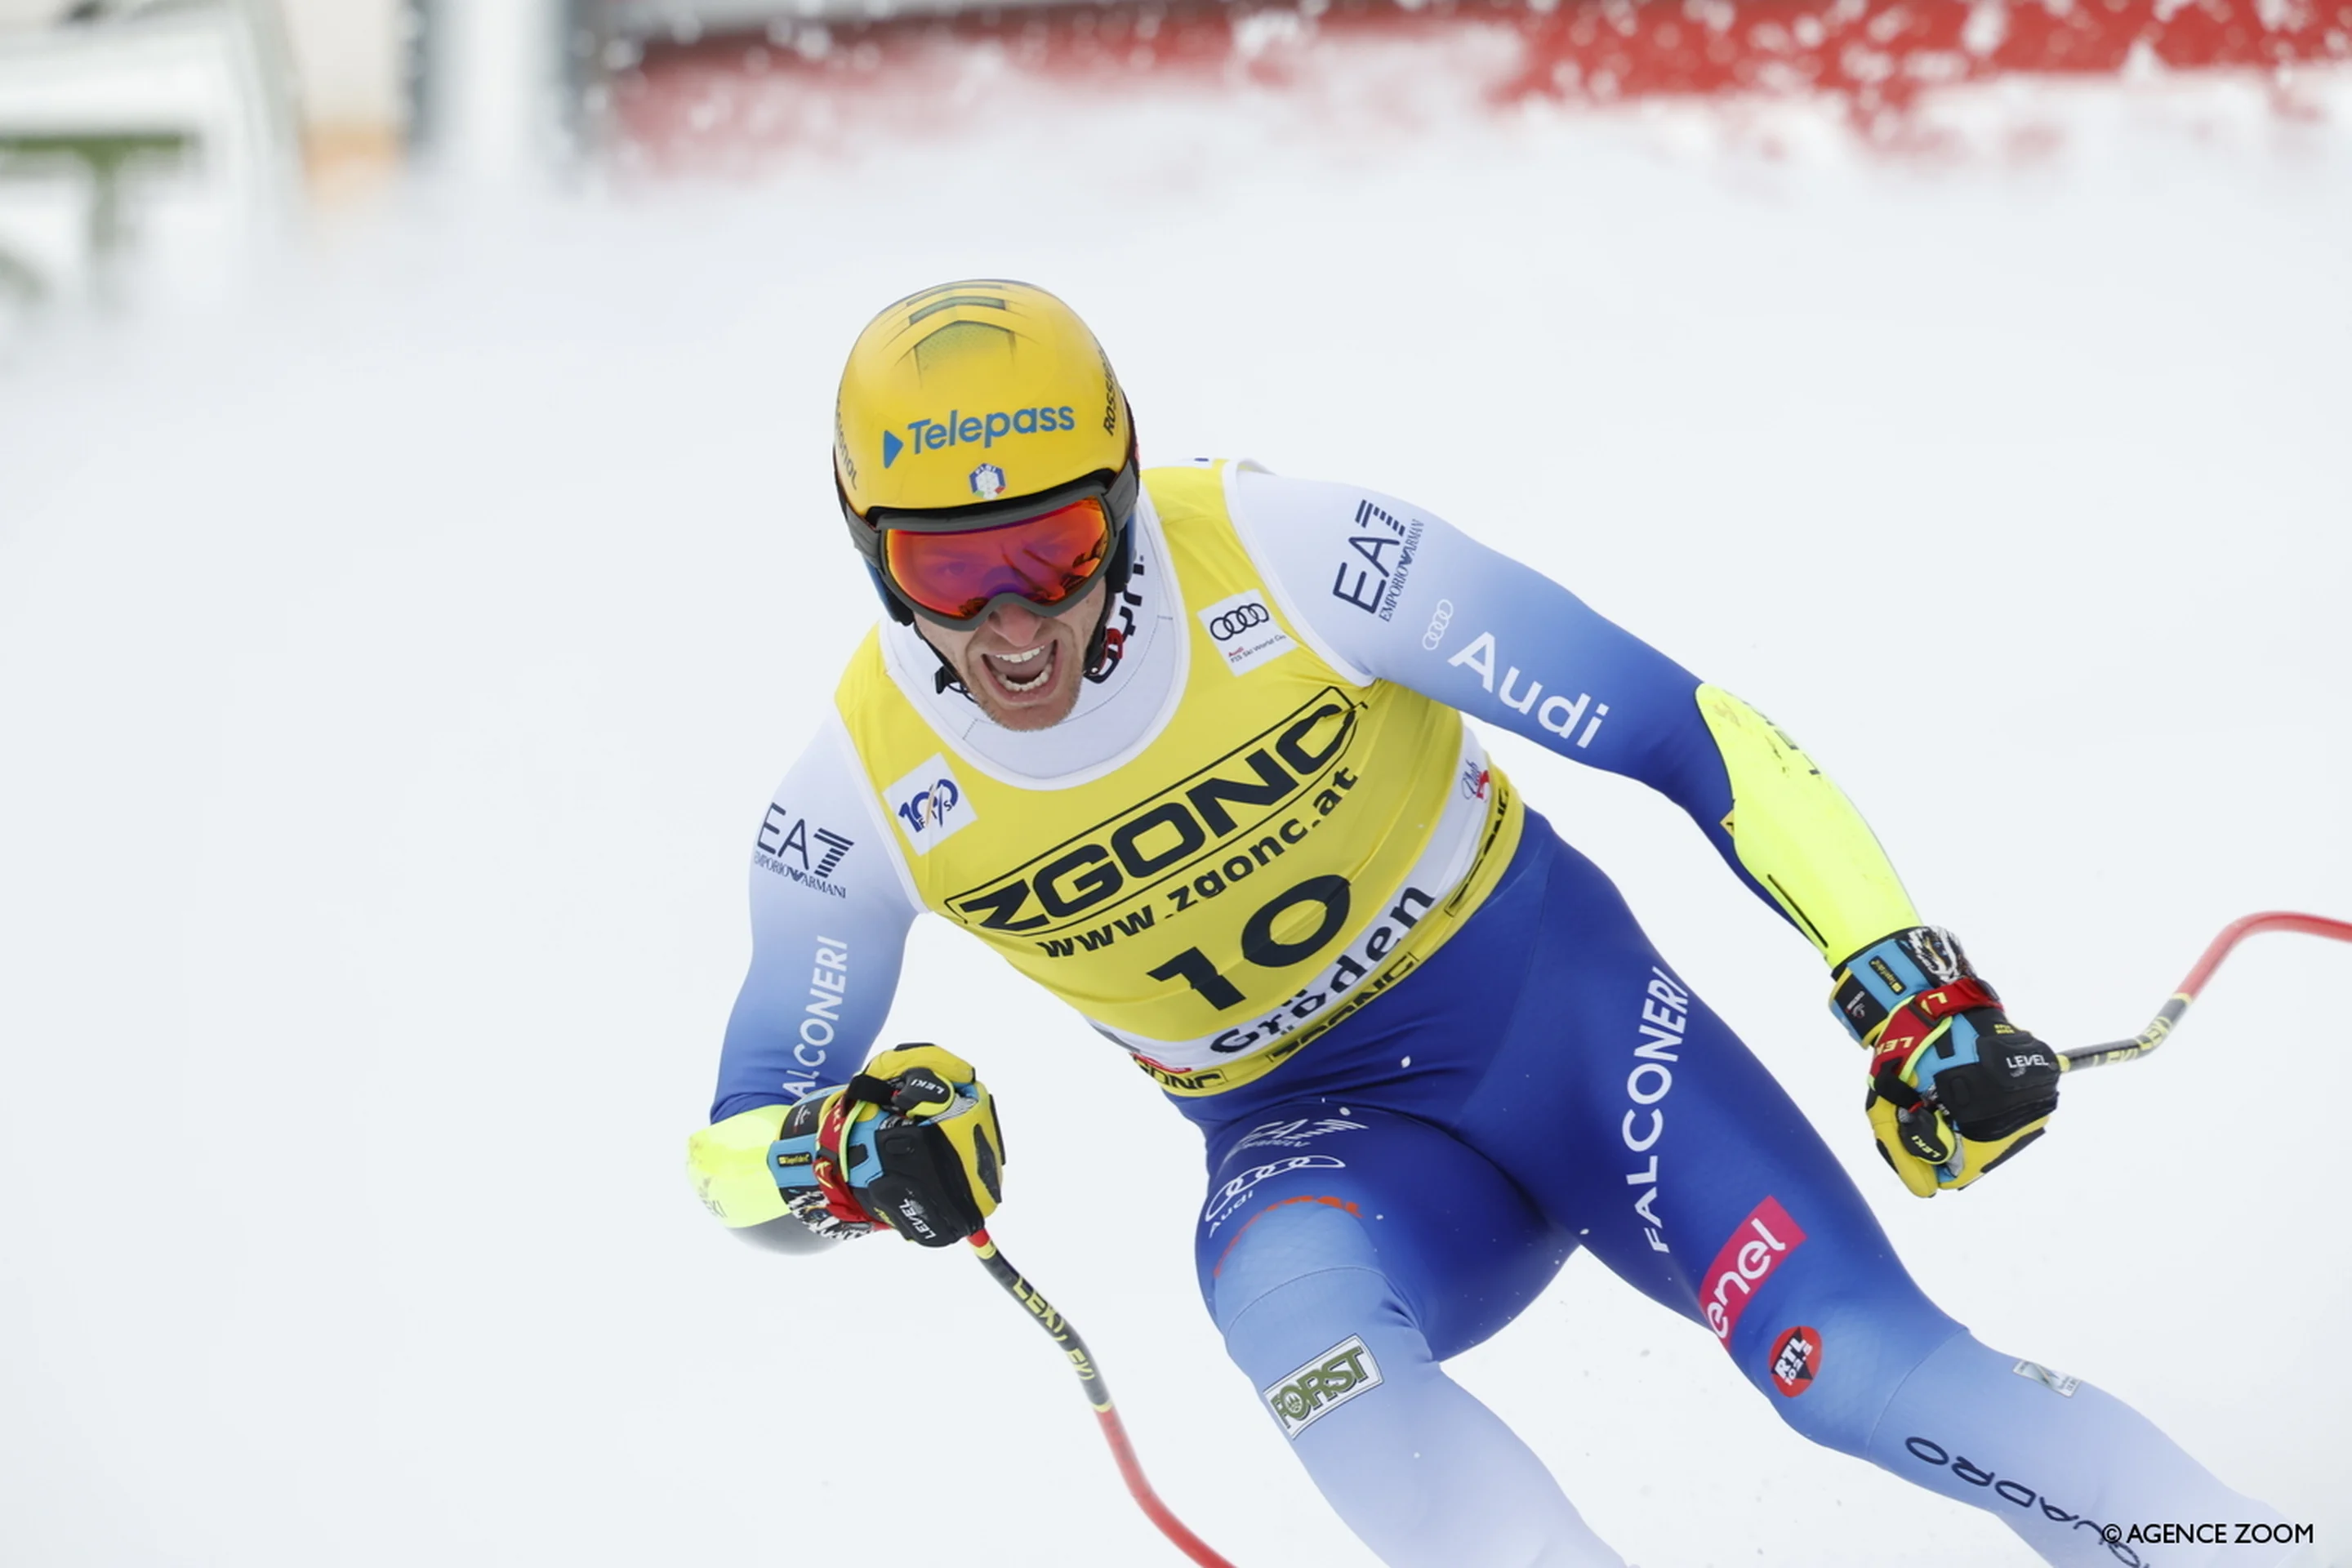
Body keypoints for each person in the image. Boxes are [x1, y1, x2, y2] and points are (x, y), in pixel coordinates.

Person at [688, 279, 2303, 1566]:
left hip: (1565, 1028)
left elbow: (1688, 729)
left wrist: (1909, 992)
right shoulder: (853, 800)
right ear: (871, 554)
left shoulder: (1291, 552)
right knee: (1320, 1364)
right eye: (950, 569)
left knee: (1859, 1376)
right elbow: (732, 1152)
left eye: (1052, 549)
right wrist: (835, 1156)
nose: (1015, 621)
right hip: (1313, 1149)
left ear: (1122, 500)